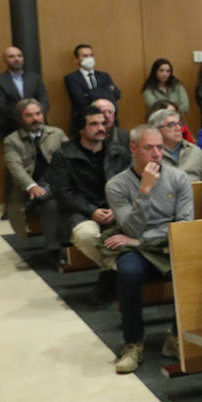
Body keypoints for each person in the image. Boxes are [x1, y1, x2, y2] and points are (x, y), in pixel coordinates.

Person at [104, 124, 194, 372]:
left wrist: (141, 240)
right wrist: (144, 190)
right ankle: (133, 342)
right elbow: (131, 228)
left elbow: (184, 225)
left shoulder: (178, 178)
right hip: (137, 251)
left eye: (159, 147)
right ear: (133, 148)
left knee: (191, 267)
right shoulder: (117, 185)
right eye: (148, 148)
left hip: (169, 245)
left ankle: (175, 336)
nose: (156, 153)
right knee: (128, 272)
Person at [49, 105, 124, 277]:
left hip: (114, 209)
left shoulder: (117, 152)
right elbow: (63, 192)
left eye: (103, 124)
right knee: (86, 235)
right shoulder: (63, 155)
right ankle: (114, 270)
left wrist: (116, 208)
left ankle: (114, 275)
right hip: (79, 212)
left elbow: (127, 185)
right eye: (94, 124)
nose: (101, 128)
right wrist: (92, 211)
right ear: (81, 129)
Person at [2, 98, 66, 261]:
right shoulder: (11, 141)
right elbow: (15, 168)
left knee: (53, 195)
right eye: (29, 115)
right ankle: (54, 250)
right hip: (32, 187)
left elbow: (71, 157)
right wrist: (31, 186)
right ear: (20, 119)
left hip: (58, 182)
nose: (36, 118)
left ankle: (39, 200)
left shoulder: (56, 133)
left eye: (38, 113)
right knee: (50, 204)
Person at [0, 45, 49, 141]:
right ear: (5, 60)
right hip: (12, 128)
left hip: (38, 126)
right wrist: (24, 119)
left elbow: (44, 101)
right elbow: (1, 106)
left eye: (19, 56)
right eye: (11, 56)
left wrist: (36, 117)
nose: (16, 59)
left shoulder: (35, 78)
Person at [63, 43, 120, 124]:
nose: (89, 58)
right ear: (77, 60)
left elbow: (117, 94)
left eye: (91, 55)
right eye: (85, 56)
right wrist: (106, 91)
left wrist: (89, 94)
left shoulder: (104, 76)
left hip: (108, 119)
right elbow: (80, 100)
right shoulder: (71, 78)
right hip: (84, 120)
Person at [149, 107, 202, 181]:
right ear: (157, 130)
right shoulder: (148, 154)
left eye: (179, 124)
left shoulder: (195, 151)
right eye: (171, 125)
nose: (178, 128)